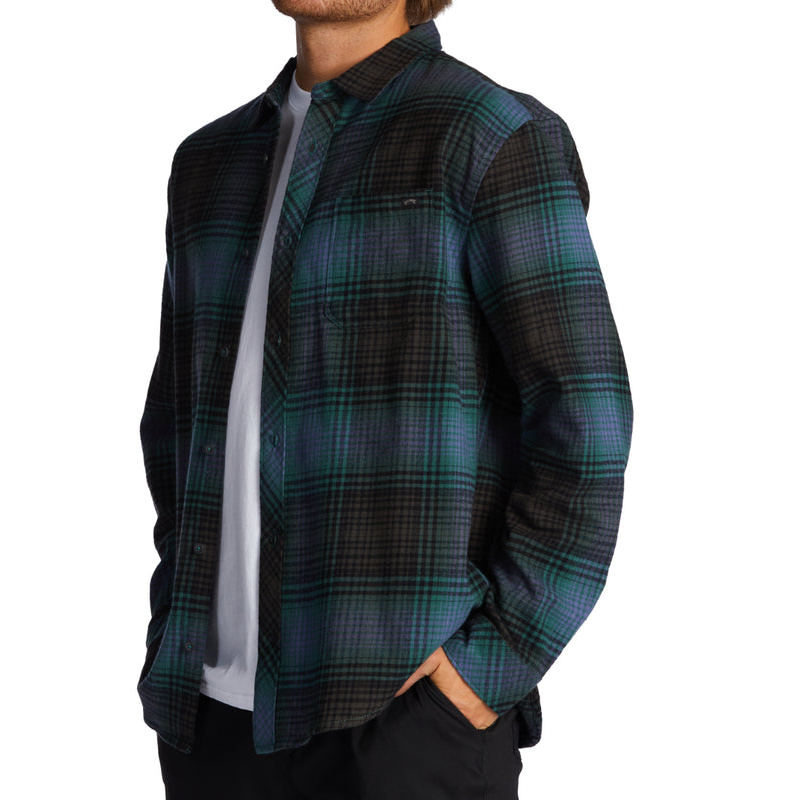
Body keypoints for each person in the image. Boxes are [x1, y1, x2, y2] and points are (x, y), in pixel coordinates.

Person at [138, 1, 633, 797]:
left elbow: (587, 422)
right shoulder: (209, 161)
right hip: (210, 722)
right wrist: (174, 623)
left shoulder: (489, 135)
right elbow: (176, 425)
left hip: (402, 720)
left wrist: (492, 662)